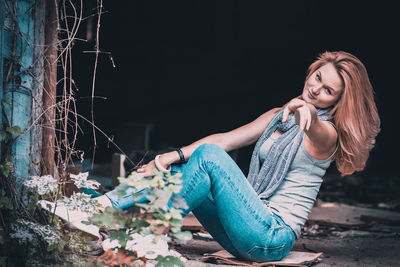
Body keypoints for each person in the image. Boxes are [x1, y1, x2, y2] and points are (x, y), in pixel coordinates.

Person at [95, 51, 380, 262]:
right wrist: (167, 158)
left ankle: (143, 233)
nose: (316, 89)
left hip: (271, 237)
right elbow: (225, 139)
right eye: (318, 77)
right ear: (312, 70)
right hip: (243, 228)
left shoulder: (327, 133)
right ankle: (101, 209)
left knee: (208, 156)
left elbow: (316, 130)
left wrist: (309, 115)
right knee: (181, 171)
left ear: (337, 101)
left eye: (328, 90)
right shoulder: (279, 116)